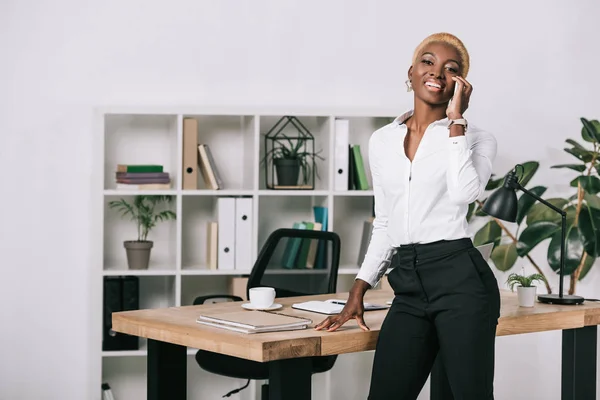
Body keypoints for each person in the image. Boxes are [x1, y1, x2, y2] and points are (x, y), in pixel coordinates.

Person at [315, 32, 500, 399]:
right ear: (411, 72)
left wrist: (456, 122)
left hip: (460, 280)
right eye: (428, 62)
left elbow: (466, 193)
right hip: (409, 285)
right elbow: (385, 221)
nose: (437, 73)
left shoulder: (475, 138)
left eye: (452, 69)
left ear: (461, 84)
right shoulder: (382, 140)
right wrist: (359, 289)